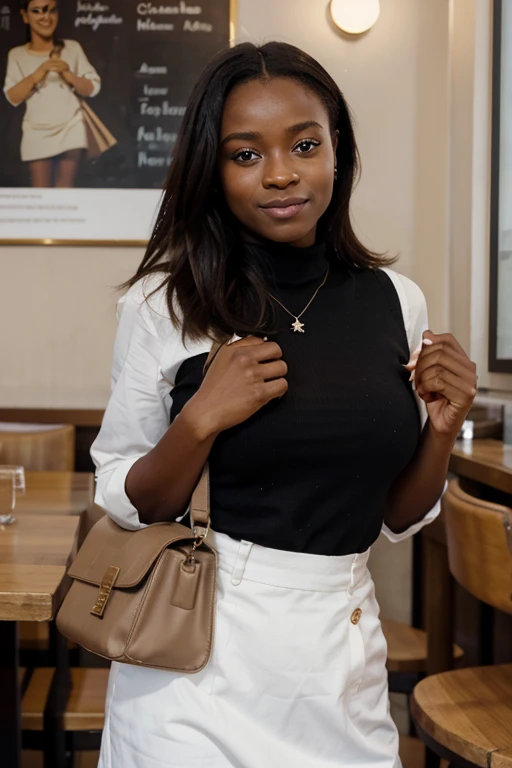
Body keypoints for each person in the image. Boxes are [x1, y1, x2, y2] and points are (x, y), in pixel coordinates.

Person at [91, 41, 477, 768]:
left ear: (339, 149)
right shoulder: (165, 305)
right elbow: (125, 496)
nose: (280, 174)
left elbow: (397, 514)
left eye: (305, 144)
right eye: (245, 155)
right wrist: (201, 418)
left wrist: (442, 429)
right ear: (213, 169)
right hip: (197, 660)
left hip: (341, 654)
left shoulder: (398, 300)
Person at [3, 0, 101, 187]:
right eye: (37, 11)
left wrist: (68, 74)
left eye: (51, 11)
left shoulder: (72, 48)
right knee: (41, 193)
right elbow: (12, 97)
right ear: (25, 16)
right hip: (36, 129)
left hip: (71, 125)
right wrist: (39, 73)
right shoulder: (17, 55)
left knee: (66, 188)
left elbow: (93, 88)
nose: (45, 17)